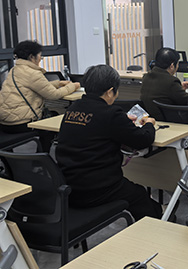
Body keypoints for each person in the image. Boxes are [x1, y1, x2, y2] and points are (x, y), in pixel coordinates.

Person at [56, 65, 162, 221]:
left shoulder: (73, 109)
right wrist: (149, 124)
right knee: (139, 195)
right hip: (98, 188)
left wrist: (122, 121)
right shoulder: (111, 113)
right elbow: (142, 140)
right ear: (110, 91)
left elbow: (96, 126)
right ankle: (156, 225)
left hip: (68, 187)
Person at [0, 40, 80, 150]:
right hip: (21, 123)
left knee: (52, 114)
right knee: (51, 122)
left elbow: (35, 86)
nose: (40, 60)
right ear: (32, 57)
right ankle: (42, 155)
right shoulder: (33, 73)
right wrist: (73, 86)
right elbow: (54, 95)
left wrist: (58, 83)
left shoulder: (14, 70)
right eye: (40, 57)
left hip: (5, 122)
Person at [140, 47, 188, 120]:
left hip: (149, 119)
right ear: (172, 66)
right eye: (177, 64)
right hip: (166, 121)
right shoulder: (171, 81)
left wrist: (179, 88)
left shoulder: (146, 77)